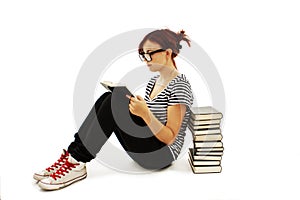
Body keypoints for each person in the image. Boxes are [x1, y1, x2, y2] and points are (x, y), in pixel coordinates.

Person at [33, 29, 194, 190]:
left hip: (161, 155)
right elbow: (150, 120)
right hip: (147, 145)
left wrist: (145, 114)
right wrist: (138, 109)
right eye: (143, 55)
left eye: (150, 54)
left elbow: (170, 138)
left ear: (167, 53)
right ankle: (72, 156)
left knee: (113, 100)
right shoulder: (154, 81)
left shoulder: (179, 86)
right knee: (108, 97)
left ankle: (77, 161)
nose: (146, 60)